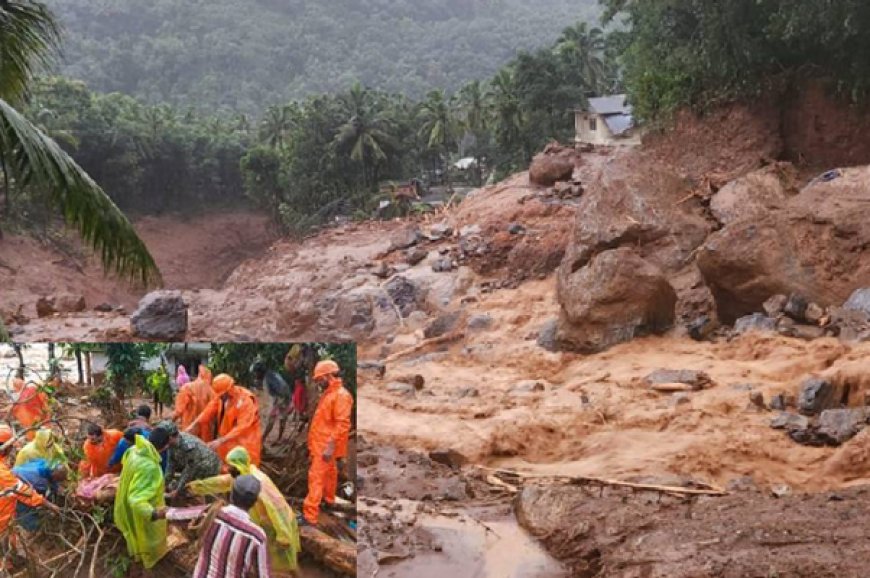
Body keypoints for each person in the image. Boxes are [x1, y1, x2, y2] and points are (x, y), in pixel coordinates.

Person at [188, 446, 300, 574]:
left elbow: (277, 510)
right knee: (267, 558)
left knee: (281, 562)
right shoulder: (241, 476)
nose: (228, 469)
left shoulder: (260, 483)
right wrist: (196, 487)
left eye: (231, 466)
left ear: (239, 464)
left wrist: (283, 535)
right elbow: (221, 482)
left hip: (277, 525)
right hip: (263, 523)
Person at [0, 424, 60, 567]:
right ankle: (8, 563)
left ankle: (10, 558)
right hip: (3, 515)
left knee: (8, 536)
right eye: (11, 445)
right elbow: (20, 490)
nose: (13, 448)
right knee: (4, 538)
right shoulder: (2, 472)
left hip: (6, 512)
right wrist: (48, 504)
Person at [302, 360, 353, 526]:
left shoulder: (341, 395)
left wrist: (330, 446)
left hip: (325, 445)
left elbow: (342, 424)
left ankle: (310, 516)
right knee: (330, 474)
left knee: (316, 477)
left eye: (320, 379)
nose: (318, 383)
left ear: (329, 376)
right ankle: (328, 501)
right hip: (321, 443)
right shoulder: (330, 394)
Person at [192, 474, 271, 578]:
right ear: (254, 502)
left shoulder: (212, 514)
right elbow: (263, 575)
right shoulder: (257, 536)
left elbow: (174, 513)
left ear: (231, 494)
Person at [114, 428, 169, 571]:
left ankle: (139, 557)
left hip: (124, 501)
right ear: (165, 446)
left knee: (134, 534)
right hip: (143, 512)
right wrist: (155, 513)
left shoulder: (134, 450)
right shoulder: (150, 466)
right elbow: (137, 500)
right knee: (148, 539)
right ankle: (150, 563)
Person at [186, 374, 262, 466]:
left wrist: (220, 441)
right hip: (228, 437)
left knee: (245, 464)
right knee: (226, 462)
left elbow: (242, 426)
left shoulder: (246, 401)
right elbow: (209, 410)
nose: (219, 397)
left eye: (222, 395)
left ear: (229, 389)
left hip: (246, 439)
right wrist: (194, 424)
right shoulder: (222, 397)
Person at [153, 421, 220, 499]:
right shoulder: (171, 444)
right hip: (193, 465)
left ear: (170, 437)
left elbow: (189, 471)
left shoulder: (188, 446)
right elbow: (171, 465)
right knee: (176, 486)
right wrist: (164, 484)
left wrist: (178, 490)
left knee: (201, 490)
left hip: (208, 465)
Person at [12, 459, 67, 531]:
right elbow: (36, 497)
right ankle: (31, 528)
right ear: (54, 475)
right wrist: (50, 506)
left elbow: (51, 478)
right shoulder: (39, 481)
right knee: (26, 506)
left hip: (17, 471)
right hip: (15, 486)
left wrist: (57, 488)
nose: (58, 482)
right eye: (58, 479)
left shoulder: (45, 463)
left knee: (47, 493)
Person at [251, 360, 293, 442]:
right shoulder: (272, 374)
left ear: (260, 371)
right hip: (285, 398)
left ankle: (262, 439)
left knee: (271, 419)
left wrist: (278, 403)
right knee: (282, 418)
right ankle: (279, 438)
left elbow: (279, 389)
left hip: (280, 399)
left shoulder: (268, 379)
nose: (255, 375)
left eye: (256, 372)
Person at [173, 365, 215, 441]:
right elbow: (216, 412)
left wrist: (170, 422)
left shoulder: (186, 388)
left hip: (189, 428)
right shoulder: (211, 391)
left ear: (199, 375)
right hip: (206, 432)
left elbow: (179, 411)